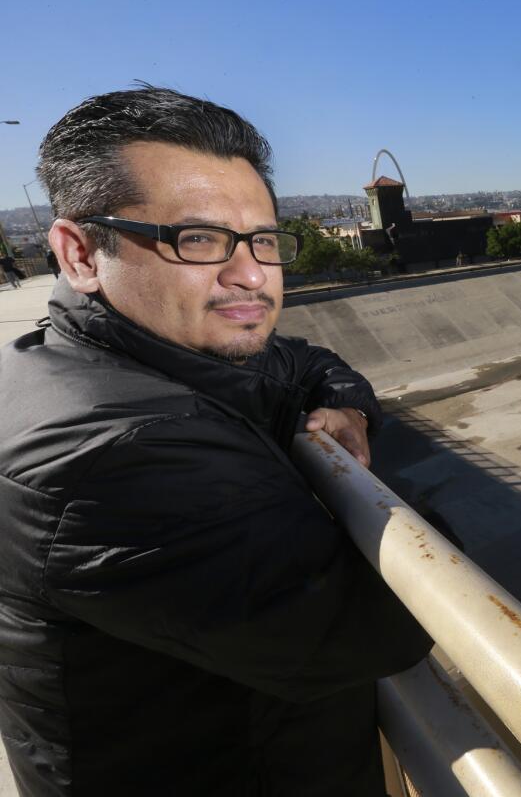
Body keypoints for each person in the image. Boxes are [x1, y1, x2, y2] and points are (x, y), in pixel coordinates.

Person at [0, 86, 433, 796]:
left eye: (264, 239)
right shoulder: (112, 456)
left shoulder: (118, 355)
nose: (252, 274)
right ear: (80, 254)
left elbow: (306, 362)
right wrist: (376, 500)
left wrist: (345, 408)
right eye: (196, 239)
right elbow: (372, 627)